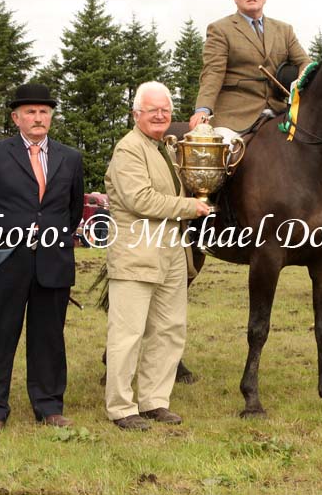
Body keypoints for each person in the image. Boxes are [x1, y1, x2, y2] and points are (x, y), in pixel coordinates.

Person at [0, 83, 83, 433]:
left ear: (51, 117)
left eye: (44, 112)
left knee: (49, 337)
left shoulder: (71, 157)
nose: (38, 118)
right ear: (16, 117)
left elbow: (73, 210)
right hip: (8, 261)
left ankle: (49, 406)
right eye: (31, 112)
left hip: (54, 260)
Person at [105, 81, 211, 431]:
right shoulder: (128, 150)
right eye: (152, 110)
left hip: (172, 253)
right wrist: (190, 207)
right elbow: (140, 199)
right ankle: (121, 407)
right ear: (136, 114)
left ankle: (154, 401)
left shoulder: (166, 147)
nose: (160, 115)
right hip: (137, 254)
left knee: (169, 330)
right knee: (128, 333)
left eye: (165, 110)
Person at [189, 0, 311, 133]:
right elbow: (213, 73)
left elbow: (305, 63)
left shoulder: (284, 30)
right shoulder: (219, 29)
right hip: (234, 117)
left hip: (280, 112)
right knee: (222, 152)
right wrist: (203, 110)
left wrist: (297, 89)